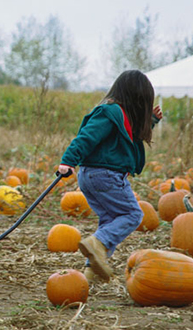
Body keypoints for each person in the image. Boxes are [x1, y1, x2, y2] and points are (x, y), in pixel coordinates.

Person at [57, 70, 163, 282]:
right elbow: (86, 137)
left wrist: (150, 121)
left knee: (110, 220)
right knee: (132, 215)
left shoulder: (120, 115)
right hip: (105, 175)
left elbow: (130, 137)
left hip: (94, 177)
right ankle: (97, 244)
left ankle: (92, 271)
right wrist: (68, 160)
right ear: (136, 98)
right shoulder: (108, 112)